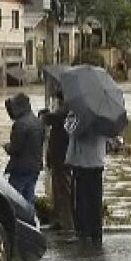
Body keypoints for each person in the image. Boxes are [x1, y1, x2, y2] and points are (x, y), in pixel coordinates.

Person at [64, 113, 108, 240]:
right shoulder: (105, 118)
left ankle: (83, 231)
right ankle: (96, 231)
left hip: (83, 163)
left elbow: (72, 131)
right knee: (95, 199)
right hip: (98, 162)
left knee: (81, 199)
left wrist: (70, 120)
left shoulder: (83, 117)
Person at [40, 90, 74, 231]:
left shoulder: (66, 111)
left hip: (62, 157)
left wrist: (44, 114)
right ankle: (60, 220)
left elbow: (50, 119)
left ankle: (67, 222)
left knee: (63, 191)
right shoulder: (65, 111)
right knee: (59, 190)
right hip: (58, 157)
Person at [3, 93, 44, 205]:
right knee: (28, 199)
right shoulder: (38, 122)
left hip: (20, 168)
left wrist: (7, 147)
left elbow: (15, 149)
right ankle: (30, 221)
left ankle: (16, 222)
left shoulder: (20, 124)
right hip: (35, 167)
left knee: (14, 201)